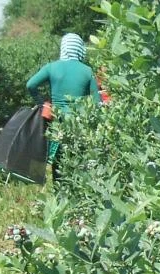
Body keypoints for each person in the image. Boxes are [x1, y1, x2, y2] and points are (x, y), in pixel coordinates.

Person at [26, 33, 102, 181]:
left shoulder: (52, 67)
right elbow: (97, 102)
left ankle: (61, 198)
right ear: (80, 49)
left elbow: (31, 85)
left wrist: (42, 104)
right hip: (80, 124)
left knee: (59, 162)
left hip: (58, 123)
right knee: (80, 162)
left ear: (63, 48)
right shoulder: (87, 71)